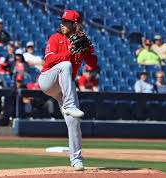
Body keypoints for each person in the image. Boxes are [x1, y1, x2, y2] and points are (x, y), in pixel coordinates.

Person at [38, 10, 97, 171]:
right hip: (47, 80)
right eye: (62, 21)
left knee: (74, 122)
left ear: (75, 24)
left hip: (64, 86)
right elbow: (49, 60)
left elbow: (92, 64)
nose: (61, 24)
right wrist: (69, 52)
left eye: (65, 21)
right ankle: (70, 105)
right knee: (66, 65)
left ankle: (76, 160)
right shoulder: (55, 37)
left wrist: (85, 49)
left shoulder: (83, 40)